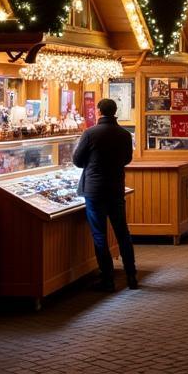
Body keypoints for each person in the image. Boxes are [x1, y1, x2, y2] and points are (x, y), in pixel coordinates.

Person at [73, 97, 138, 291]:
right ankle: (131, 276)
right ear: (115, 111)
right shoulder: (125, 134)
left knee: (99, 234)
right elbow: (127, 159)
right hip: (116, 188)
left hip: (94, 190)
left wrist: (91, 164)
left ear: (99, 112)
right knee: (122, 233)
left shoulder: (90, 133)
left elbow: (77, 160)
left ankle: (107, 279)